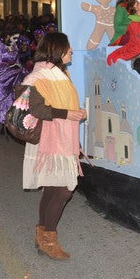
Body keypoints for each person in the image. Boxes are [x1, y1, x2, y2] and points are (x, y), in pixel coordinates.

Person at [21, 32, 86, 260]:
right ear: (57, 50)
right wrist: (68, 114)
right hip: (50, 140)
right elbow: (35, 109)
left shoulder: (58, 73)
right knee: (64, 190)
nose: (71, 51)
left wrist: (72, 117)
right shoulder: (39, 76)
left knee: (52, 188)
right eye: (68, 48)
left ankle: (42, 235)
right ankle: (49, 238)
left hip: (62, 138)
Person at [0, 21, 26, 134]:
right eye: (14, 38)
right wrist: (11, 64)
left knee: (17, 96)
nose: (16, 41)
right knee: (7, 99)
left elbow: (17, 59)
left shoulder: (14, 45)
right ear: (7, 36)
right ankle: (5, 123)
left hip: (15, 73)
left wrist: (19, 66)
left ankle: (14, 122)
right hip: (3, 75)